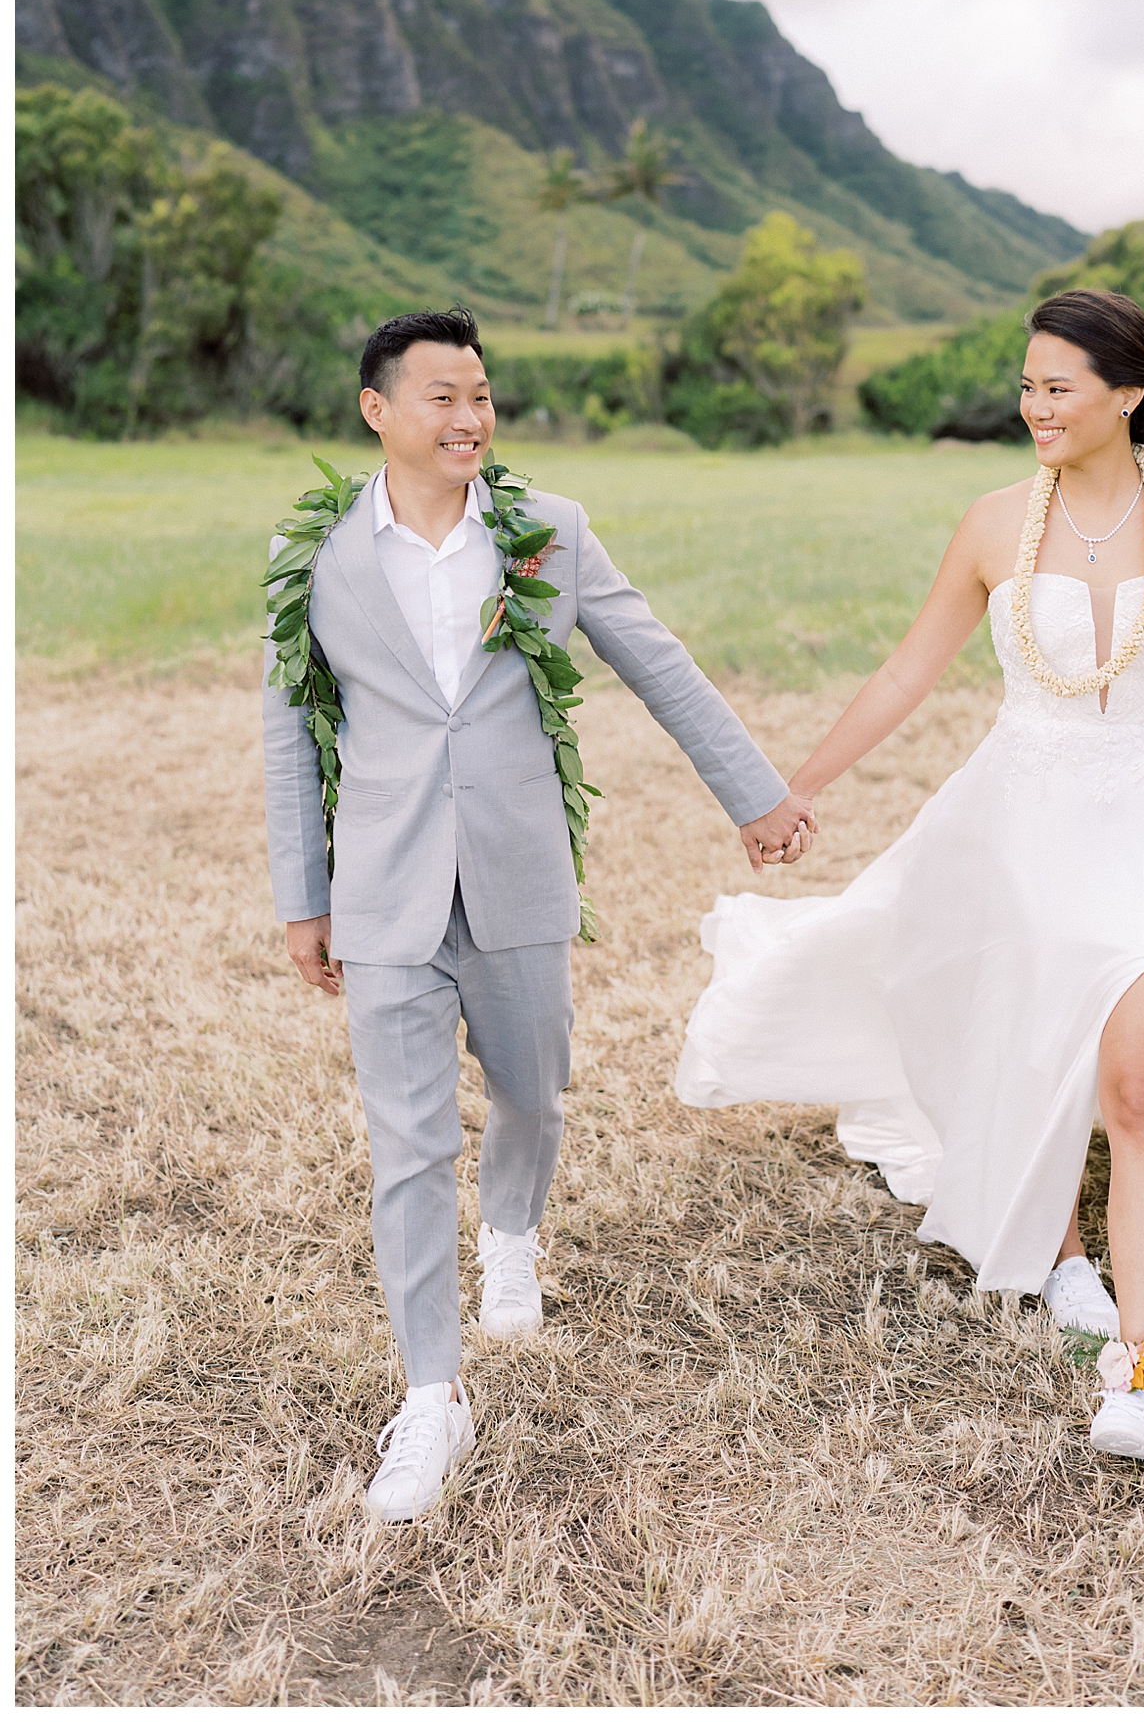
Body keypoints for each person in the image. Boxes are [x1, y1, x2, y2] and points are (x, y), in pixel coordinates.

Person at [677, 288, 1144, 1464]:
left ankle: (1137, 1370)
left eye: (1056, 387)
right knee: (1039, 1044)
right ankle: (1062, 1251)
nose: (1034, 407)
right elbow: (905, 673)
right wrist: (791, 788)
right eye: (1025, 386)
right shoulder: (988, 523)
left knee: (1138, 1084)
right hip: (1022, 822)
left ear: (1127, 392)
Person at [264, 307, 816, 1521]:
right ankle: (430, 1396)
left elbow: (655, 659)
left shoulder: (548, 534)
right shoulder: (321, 556)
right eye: (441, 398)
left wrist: (757, 794)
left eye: (481, 396)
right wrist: (302, 894)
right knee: (407, 1147)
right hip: (385, 890)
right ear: (377, 413)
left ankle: (510, 1228)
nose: (468, 418)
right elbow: (290, 730)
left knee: (529, 1090)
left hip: (517, 876)